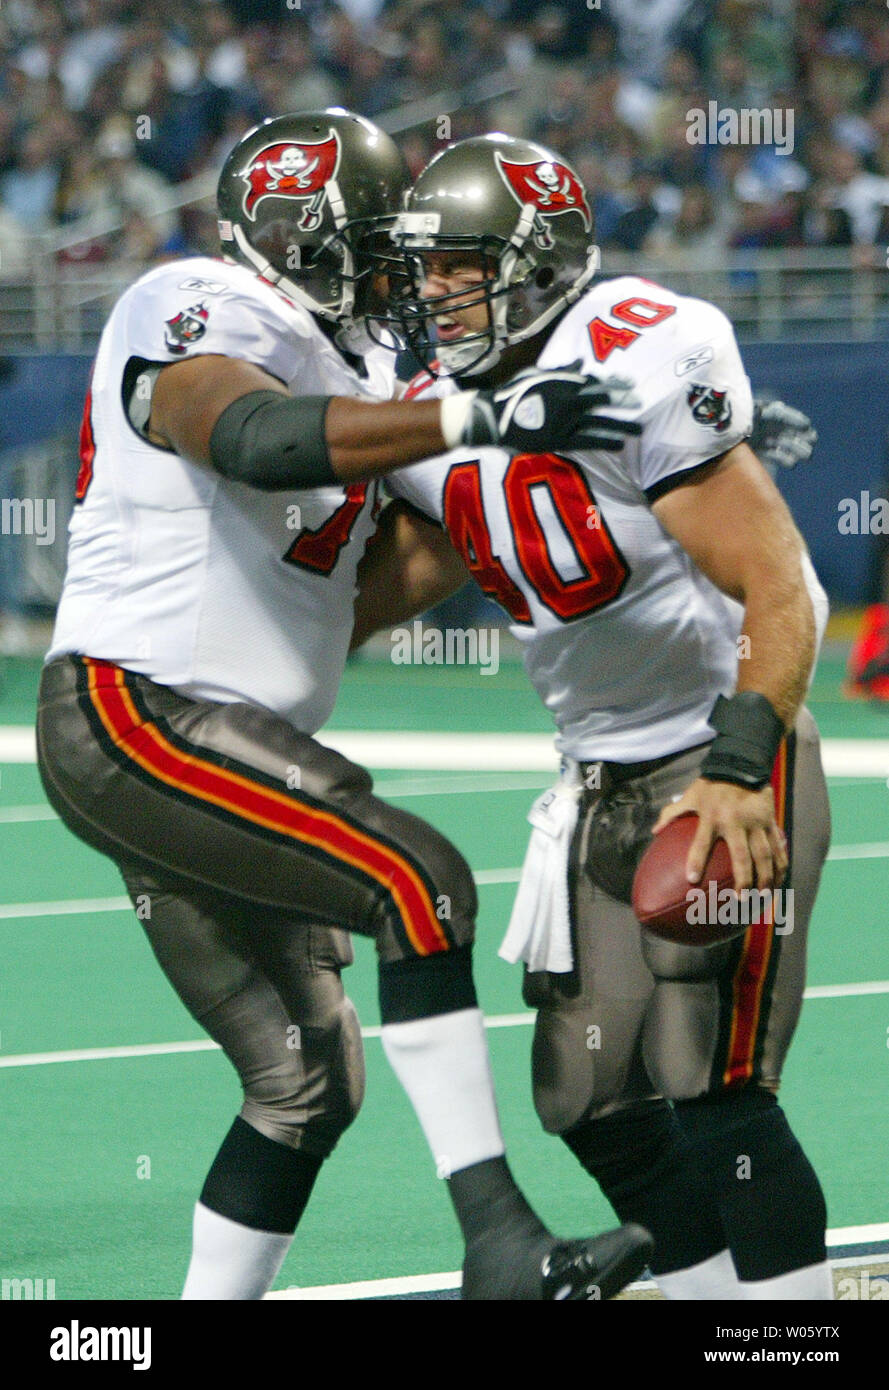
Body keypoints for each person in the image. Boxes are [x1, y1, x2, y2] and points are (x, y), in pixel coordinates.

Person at [35, 109, 653, 1301]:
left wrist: (621, 469)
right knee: (417, 883)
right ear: (299, 239)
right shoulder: (195, 301)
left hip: (221, 738)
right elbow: (254, 438)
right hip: (131, 713)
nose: (400, 278)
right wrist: (463, 419)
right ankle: (500, 1244)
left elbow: (419, 552)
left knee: (306, 1075)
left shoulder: (374, 372)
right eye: (377, 248)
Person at [354, 131, 833, 1300]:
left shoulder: (634, 354)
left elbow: (781, 586)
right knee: (583, 1094)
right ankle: (717, 1304)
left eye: (463, 264)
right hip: (595, 777)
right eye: (426, 266)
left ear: (540, 261)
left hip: (719, 750)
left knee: (707, 1078)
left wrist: (736, 764)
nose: (435, 289)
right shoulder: (429, 401)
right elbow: (418, 561)